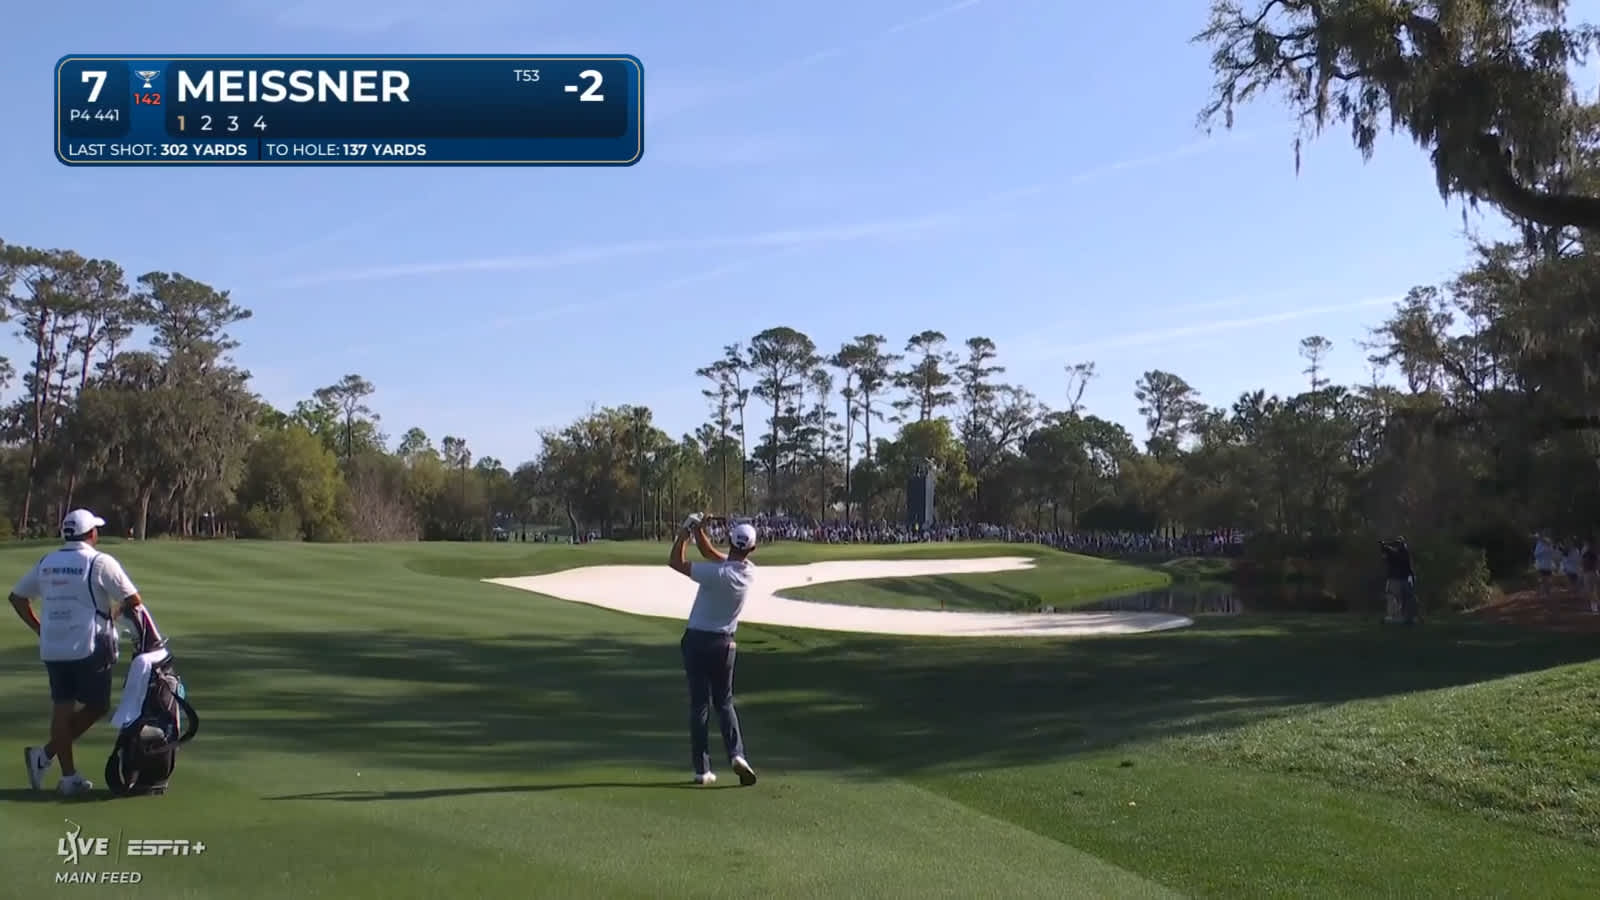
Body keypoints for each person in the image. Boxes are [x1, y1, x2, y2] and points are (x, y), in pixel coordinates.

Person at [8, 509, 144, 796]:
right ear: (91, 534)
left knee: (62, 707)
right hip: (89, 645)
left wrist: (39, 628)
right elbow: (133, 599)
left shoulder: (48, 561)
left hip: (53, 645)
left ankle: (67, 776)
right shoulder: (99, 561)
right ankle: (45, 756)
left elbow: (17, 597)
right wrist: (114, 614)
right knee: (97, 705)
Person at [667, 513, 758, 787]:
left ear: (730, 540)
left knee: (699, 706)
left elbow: (675, 562)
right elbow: (711, 552)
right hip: (725, 645)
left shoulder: (714, 574)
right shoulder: (747, 572)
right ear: (751, 549)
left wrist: (686, 530)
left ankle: (702, 770)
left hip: (697, 641)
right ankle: (737, 754)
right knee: (725, 702)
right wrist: (699, 530)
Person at [1379, 537, 1418, 626]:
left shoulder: (1398, 553)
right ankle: (1406, 618)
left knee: (1394, 599)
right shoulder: (1402, 553)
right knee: (1402, 600)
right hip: (1402, 580)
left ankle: (1399, 618)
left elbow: (1389, 553)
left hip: (1396, 580)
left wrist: (1384, 546)